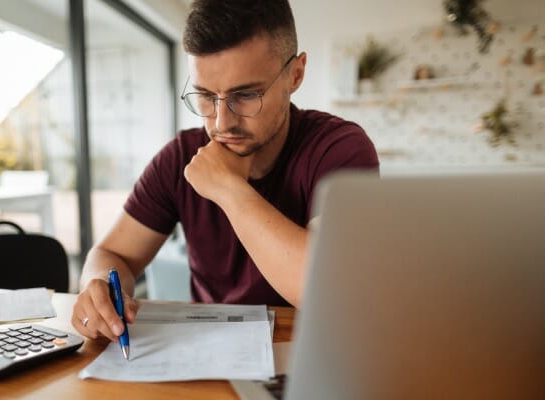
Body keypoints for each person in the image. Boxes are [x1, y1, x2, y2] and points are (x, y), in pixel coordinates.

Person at [72, 0, 379, 342]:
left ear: (296, 74)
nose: (221, 122)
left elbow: (328, 291)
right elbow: (112, 254)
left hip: (311, 353)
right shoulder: (180, 156)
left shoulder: (340, 149)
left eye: (245, 95)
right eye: (204, 96)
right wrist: (98, 286)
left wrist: (228, 188)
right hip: (212, 355)